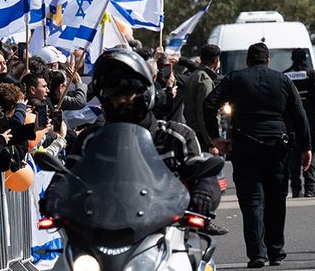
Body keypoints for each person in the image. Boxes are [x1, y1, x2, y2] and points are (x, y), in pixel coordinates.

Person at [64, 48, 217, 217]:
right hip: (102, 228)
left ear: (145, 91)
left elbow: (202, 173)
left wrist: (204, 191)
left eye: (127, 92)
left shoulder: (176, 136)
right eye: (111, 94)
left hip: (166, 228)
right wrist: (55, 194)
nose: (120, 100)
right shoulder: (90, 140)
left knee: (195, 241)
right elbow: (68, 177)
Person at [203, 41, 310, 269]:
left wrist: (215, 137)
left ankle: (256, 254)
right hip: (277, 146)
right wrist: (306, 147)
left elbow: (209, 104)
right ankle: (275, 250)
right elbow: (300, 115)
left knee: (252, 201)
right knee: (276, 198)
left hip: (245, 145)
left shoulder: (235, 78)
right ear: (268, 60)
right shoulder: (282, 80)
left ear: (247, 61)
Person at [282, 48, 315, 199]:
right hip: (310, 121)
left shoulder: (285, 76)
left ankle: (295, 189)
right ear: (305, 58)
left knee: (293, 154)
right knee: (310, 151)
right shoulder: (312, 74)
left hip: (290, 122)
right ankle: (310, 188)